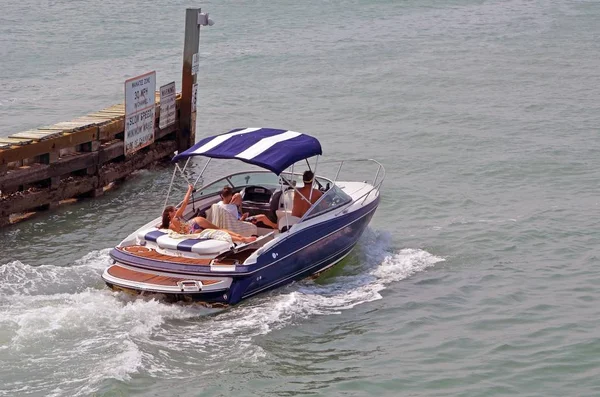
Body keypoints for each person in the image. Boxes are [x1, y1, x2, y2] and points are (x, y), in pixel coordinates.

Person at [161, 185, 256, 244]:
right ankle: (240, 237)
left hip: (192, 231)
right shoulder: (176, 216)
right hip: (194, 222)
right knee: (219, 230)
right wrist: (189, 189)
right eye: (174, 209)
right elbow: (185, 202)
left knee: (216, 233)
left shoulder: (168, 227)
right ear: (170, 213)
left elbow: (163, 229)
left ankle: (241, 238)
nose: (177, 209)